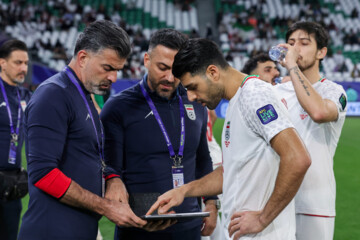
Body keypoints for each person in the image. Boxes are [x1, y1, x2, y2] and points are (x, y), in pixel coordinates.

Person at [147, 38, 311, 240]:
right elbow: (230, 173)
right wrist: (183, 191)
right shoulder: (236, 101)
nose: (190, 97)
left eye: (193, 86)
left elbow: (297, 158)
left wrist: (262, 219)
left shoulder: (255, 95)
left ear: (213, 72)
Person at [18, 20, 147, 240]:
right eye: (107, 68)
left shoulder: (82, 94)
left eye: (117, 70)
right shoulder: (53, 95)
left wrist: (112, 178)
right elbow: (44, 174)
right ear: (83, 58)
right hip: (50, 232)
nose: (113, 78)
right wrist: (106, 207)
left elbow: (89, 155)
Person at [100, 29, 218, 240]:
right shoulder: (118, 108)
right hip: (139, 229)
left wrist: (211, 202)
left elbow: (202, 159)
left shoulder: (195, 101)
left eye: (177, 70)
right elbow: (108, 166)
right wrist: (112, 181)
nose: (170, 77)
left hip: (189, 226)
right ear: (146, 60)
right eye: (162, 68)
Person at [275, 21, 348, 240]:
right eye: (291, 43)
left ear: (322, 52)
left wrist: (293, 68)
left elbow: (319, 112)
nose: (295, 49)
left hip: (314, 202)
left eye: (304, 43)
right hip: (276, 201)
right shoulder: (276, 91)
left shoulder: (334, 91)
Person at [0, 39, 31, 240]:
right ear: (2, 63)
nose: (23, 68)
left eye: (26, 63)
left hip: (12, 186)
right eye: (17, 63)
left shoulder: (27, 96)